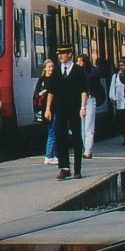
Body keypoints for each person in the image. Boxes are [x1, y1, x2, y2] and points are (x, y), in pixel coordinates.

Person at [45, 44, 87, 180]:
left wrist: (83, 107)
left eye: (63, 53)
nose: (61, 56)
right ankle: (64, 168)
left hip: (75, 108)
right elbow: (51, 91)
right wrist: (48, 109)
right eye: (59, 54)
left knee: (76, 137)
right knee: (60, 136)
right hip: (60, 108)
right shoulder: (57, 71)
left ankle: (77, 169)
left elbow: (84, 90)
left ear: (70, 54)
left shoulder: (78, 70)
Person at [33, 59, 58, 164]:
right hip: (50, 109)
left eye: (52, 66)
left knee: (53, 131)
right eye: (49, 67)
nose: (51, 69)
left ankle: (56, 155)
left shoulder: (41, 80)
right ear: (45, 68)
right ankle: (49, 156)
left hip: (46, 109)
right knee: (53, 132)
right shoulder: (50, 80)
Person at [77, 53, 100, 159]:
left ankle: (88, 150)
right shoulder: (78, 72)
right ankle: (86, 148)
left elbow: (89, 80)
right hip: (81, 100)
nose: (79, 63)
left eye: (81, 61)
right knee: (82, 127)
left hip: (90, 99)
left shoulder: (92, 71)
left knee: (88, 126)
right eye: (78, 61)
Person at [108, 58, 125, 144]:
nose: (121, 67)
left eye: (123, 65)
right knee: (121, 121)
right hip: (119, 102)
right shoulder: (115, 76)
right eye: (120, 65)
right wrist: (113, 98)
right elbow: (112, 88)